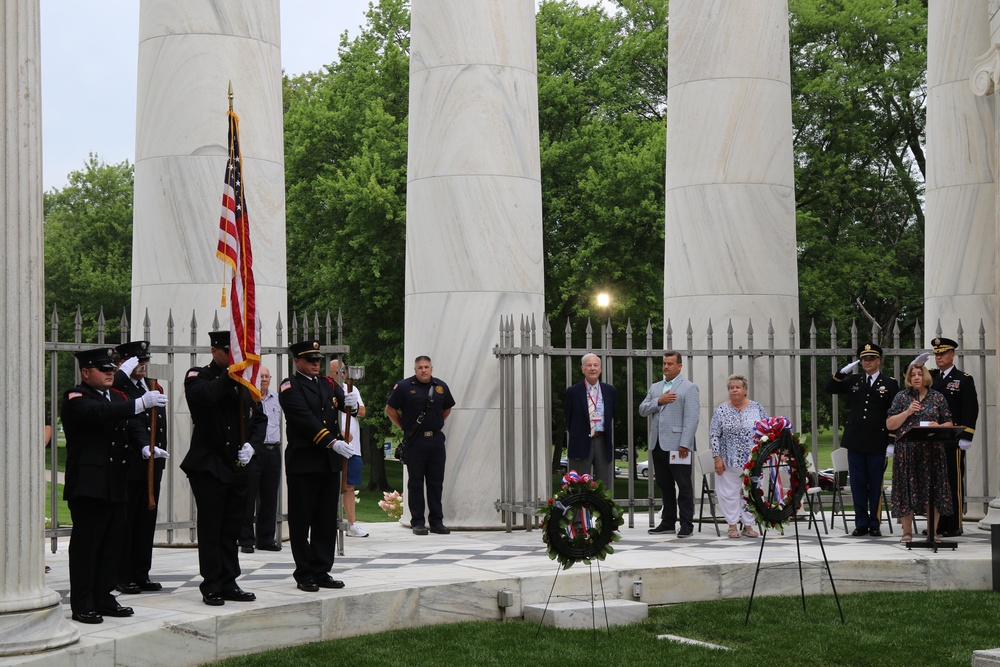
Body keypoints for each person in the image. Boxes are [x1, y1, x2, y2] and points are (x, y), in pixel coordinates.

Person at [61, 346, 164, 624]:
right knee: (87, 545)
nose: (109, 374)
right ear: (86, 372)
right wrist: (140, 403)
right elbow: (100, 413)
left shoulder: (116, 396)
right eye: (104, 370)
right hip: (90, 484)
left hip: (117, 481)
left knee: (112, 543)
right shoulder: (76, 396)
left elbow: (131, 425)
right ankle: (82, 601)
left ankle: (104, 596)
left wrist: (145, 447)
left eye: (111, 370)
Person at [181, 330, 266, 606]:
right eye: (228, 352)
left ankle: (230, 581)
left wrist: (252, 445)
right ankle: (212, 583)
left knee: (232, 527)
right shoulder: (199, 376)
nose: (234, 357)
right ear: (214, 351)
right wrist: (230, 373)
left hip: (237, 463)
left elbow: (259, 416)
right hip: (209, 464)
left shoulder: (245, 381)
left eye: (236, 353)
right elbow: (206, 397)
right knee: (212, 526)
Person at [278, 340, 357, 591]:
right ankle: (305, 572)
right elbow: (304, 418)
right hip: (305, 460)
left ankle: (322, 570)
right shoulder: (290, 386)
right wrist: (332, 442)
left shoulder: (328, 383)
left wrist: (352, 404)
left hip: (328, 463)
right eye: (310, 360)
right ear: (297, 362)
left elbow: (344, 404)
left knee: (325, 520)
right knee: (302, 519)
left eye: (317, 360)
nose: (315, 364)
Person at [825, 343, 900, 537]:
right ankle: (861, 522)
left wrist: (891, 441)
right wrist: (841, 373)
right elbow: (830, 388)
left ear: (878, 360)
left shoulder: (889, 383)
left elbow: (895, 411)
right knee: (857, 484)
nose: (867, 362)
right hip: (856, 440)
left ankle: (874, 522)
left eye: (871, 359)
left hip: (878, 440)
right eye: (864, 359)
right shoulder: (855, 380)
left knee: (875, 483)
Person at [113, 340, 169, 593]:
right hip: (130, 465)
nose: (143, 365)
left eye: (145, 360)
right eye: (137, 361)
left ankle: (141, 573)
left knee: (146, 524)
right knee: (126, 524)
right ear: (124, 363)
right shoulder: (120, 388)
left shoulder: (154, 386)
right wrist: (122, 374)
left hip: (151, 465)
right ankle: (123, 575)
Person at [385, 355, 456, 536]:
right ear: (415, 369)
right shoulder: (404, 387)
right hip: (415, 442)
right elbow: (390, 409)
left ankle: (437, 522)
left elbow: (447, 408)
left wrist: (436, 423)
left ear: (431, 368)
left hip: (436, 440)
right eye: (420, 367)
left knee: (435, 482)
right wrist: (404, 427)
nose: (423, 370)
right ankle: (418, 522)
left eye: (426, 367)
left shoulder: (441, 387)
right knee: (415, 482)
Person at [886, 362, 953, 544]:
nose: (916, 377)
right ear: (908, 378)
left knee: (933, 490)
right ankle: (907, 532)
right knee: (906, 490)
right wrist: (907, 412)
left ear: (926, 377)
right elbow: (890, 424)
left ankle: (933, 532)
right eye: (913, 375)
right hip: (906, 453)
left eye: (919, 374)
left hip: (931, 453)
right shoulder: (901, 397)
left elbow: (949, 423)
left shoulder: (937, 397)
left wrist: (938, 426)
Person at [639, 351, 700, 538]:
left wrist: (685, 444)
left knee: (683, 485)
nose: (666, 367)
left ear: (679, 366)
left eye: (670, 364)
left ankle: (686, 524)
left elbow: (692, 418)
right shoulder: (656, 387)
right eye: (664, 363)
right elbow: (642, 409)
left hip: (678, 446)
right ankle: (667, 523)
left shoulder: (689, 388)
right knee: (664, 485)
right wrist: (659, 401)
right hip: (657, 444)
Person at [929, 337, 979, 538]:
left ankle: (955, 523)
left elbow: (970, 409)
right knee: (935, 483)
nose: (939, 357)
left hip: (953, 439)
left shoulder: (963, 379)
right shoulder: (931, 377)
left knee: (952, 481)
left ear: (952, 355)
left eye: (942, 353)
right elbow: (911, 379)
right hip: (932, 438)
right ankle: (938, 524)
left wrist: (967, 435)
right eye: (936, 354)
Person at [709, 374, 767, 538]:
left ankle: (748, 526)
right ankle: (732, 525)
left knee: (751, 493)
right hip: (729, 461)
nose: (734, 390)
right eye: (731, 387)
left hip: (753, 461)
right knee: (729, 493)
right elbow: (714, 434)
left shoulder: (757, 408)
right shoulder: (721, 410)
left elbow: (766, 431)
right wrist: (717, 457)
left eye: (738, 387)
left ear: (745, 390)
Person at [240, 366, 283, 553]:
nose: (264, 379)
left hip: (273, 451)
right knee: (248, 496)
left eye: (267, 376)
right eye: (261, 376)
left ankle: (266, 539)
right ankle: (246, 540)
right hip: (254, 452)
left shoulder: (277, 398)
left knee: (270, 496)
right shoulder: (249, 397)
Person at [562, 353, 617, 487]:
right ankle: (581, 509)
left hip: (602, 442)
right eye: (589, 365)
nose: (592, 368)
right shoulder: (573, 392)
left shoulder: (610, 391)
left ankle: (602, 508)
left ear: (600, 369)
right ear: (583, 369)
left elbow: (612, 414)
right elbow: (568, 418)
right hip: (580, 442)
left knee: (604, 487)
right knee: (579, 486)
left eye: (596, 365)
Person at [331, 359, 368, 537]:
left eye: (344, 371)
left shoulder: (351, 389)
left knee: (349, 486)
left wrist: (353, 405)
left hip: (353, 448)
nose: (342, 374)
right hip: (333, 446)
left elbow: (362, 411)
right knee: (330, 486)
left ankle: (352, 524)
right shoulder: (326, 388)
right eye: (338, 372)